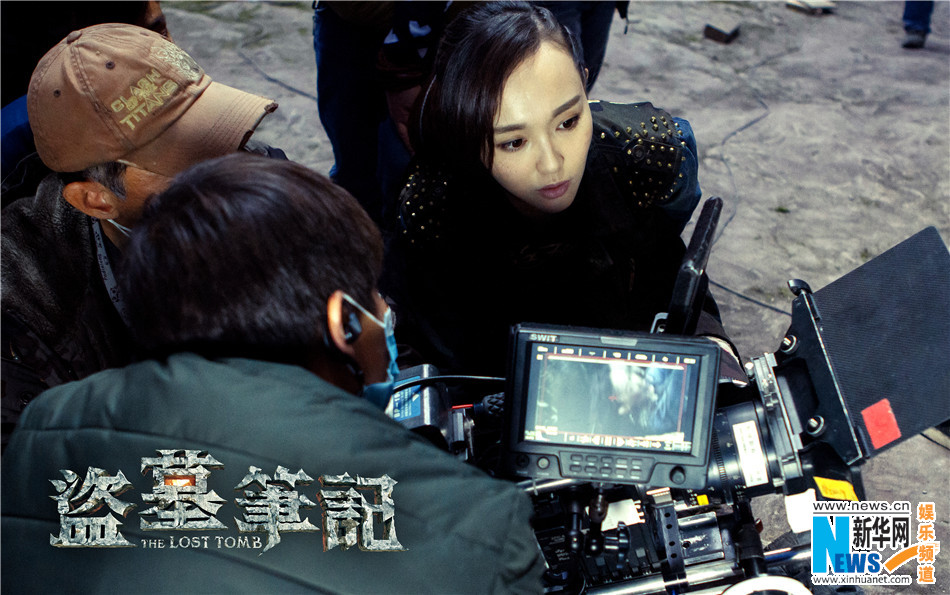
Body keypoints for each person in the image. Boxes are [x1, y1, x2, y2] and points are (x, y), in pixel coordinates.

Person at [0, 154, 544, 593]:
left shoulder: (50, 422)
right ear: (343, 322)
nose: (385, 309)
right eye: (375, 293)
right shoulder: (477, 529)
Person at [384, 1, 740, 378]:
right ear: (467, 136)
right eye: (514, 142)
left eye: (568, 122)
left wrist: (715, 351)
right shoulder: (433, 211)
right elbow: (423, 350)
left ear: (584, 83)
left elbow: (671, 279)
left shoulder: (644, 157)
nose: (553, 164)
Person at [0, 24, 279, 450]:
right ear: (95, 199)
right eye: (192, 162)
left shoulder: (267, 185)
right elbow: (32, 471)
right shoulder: (24, 310)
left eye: (226, 133)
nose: (235, 167)